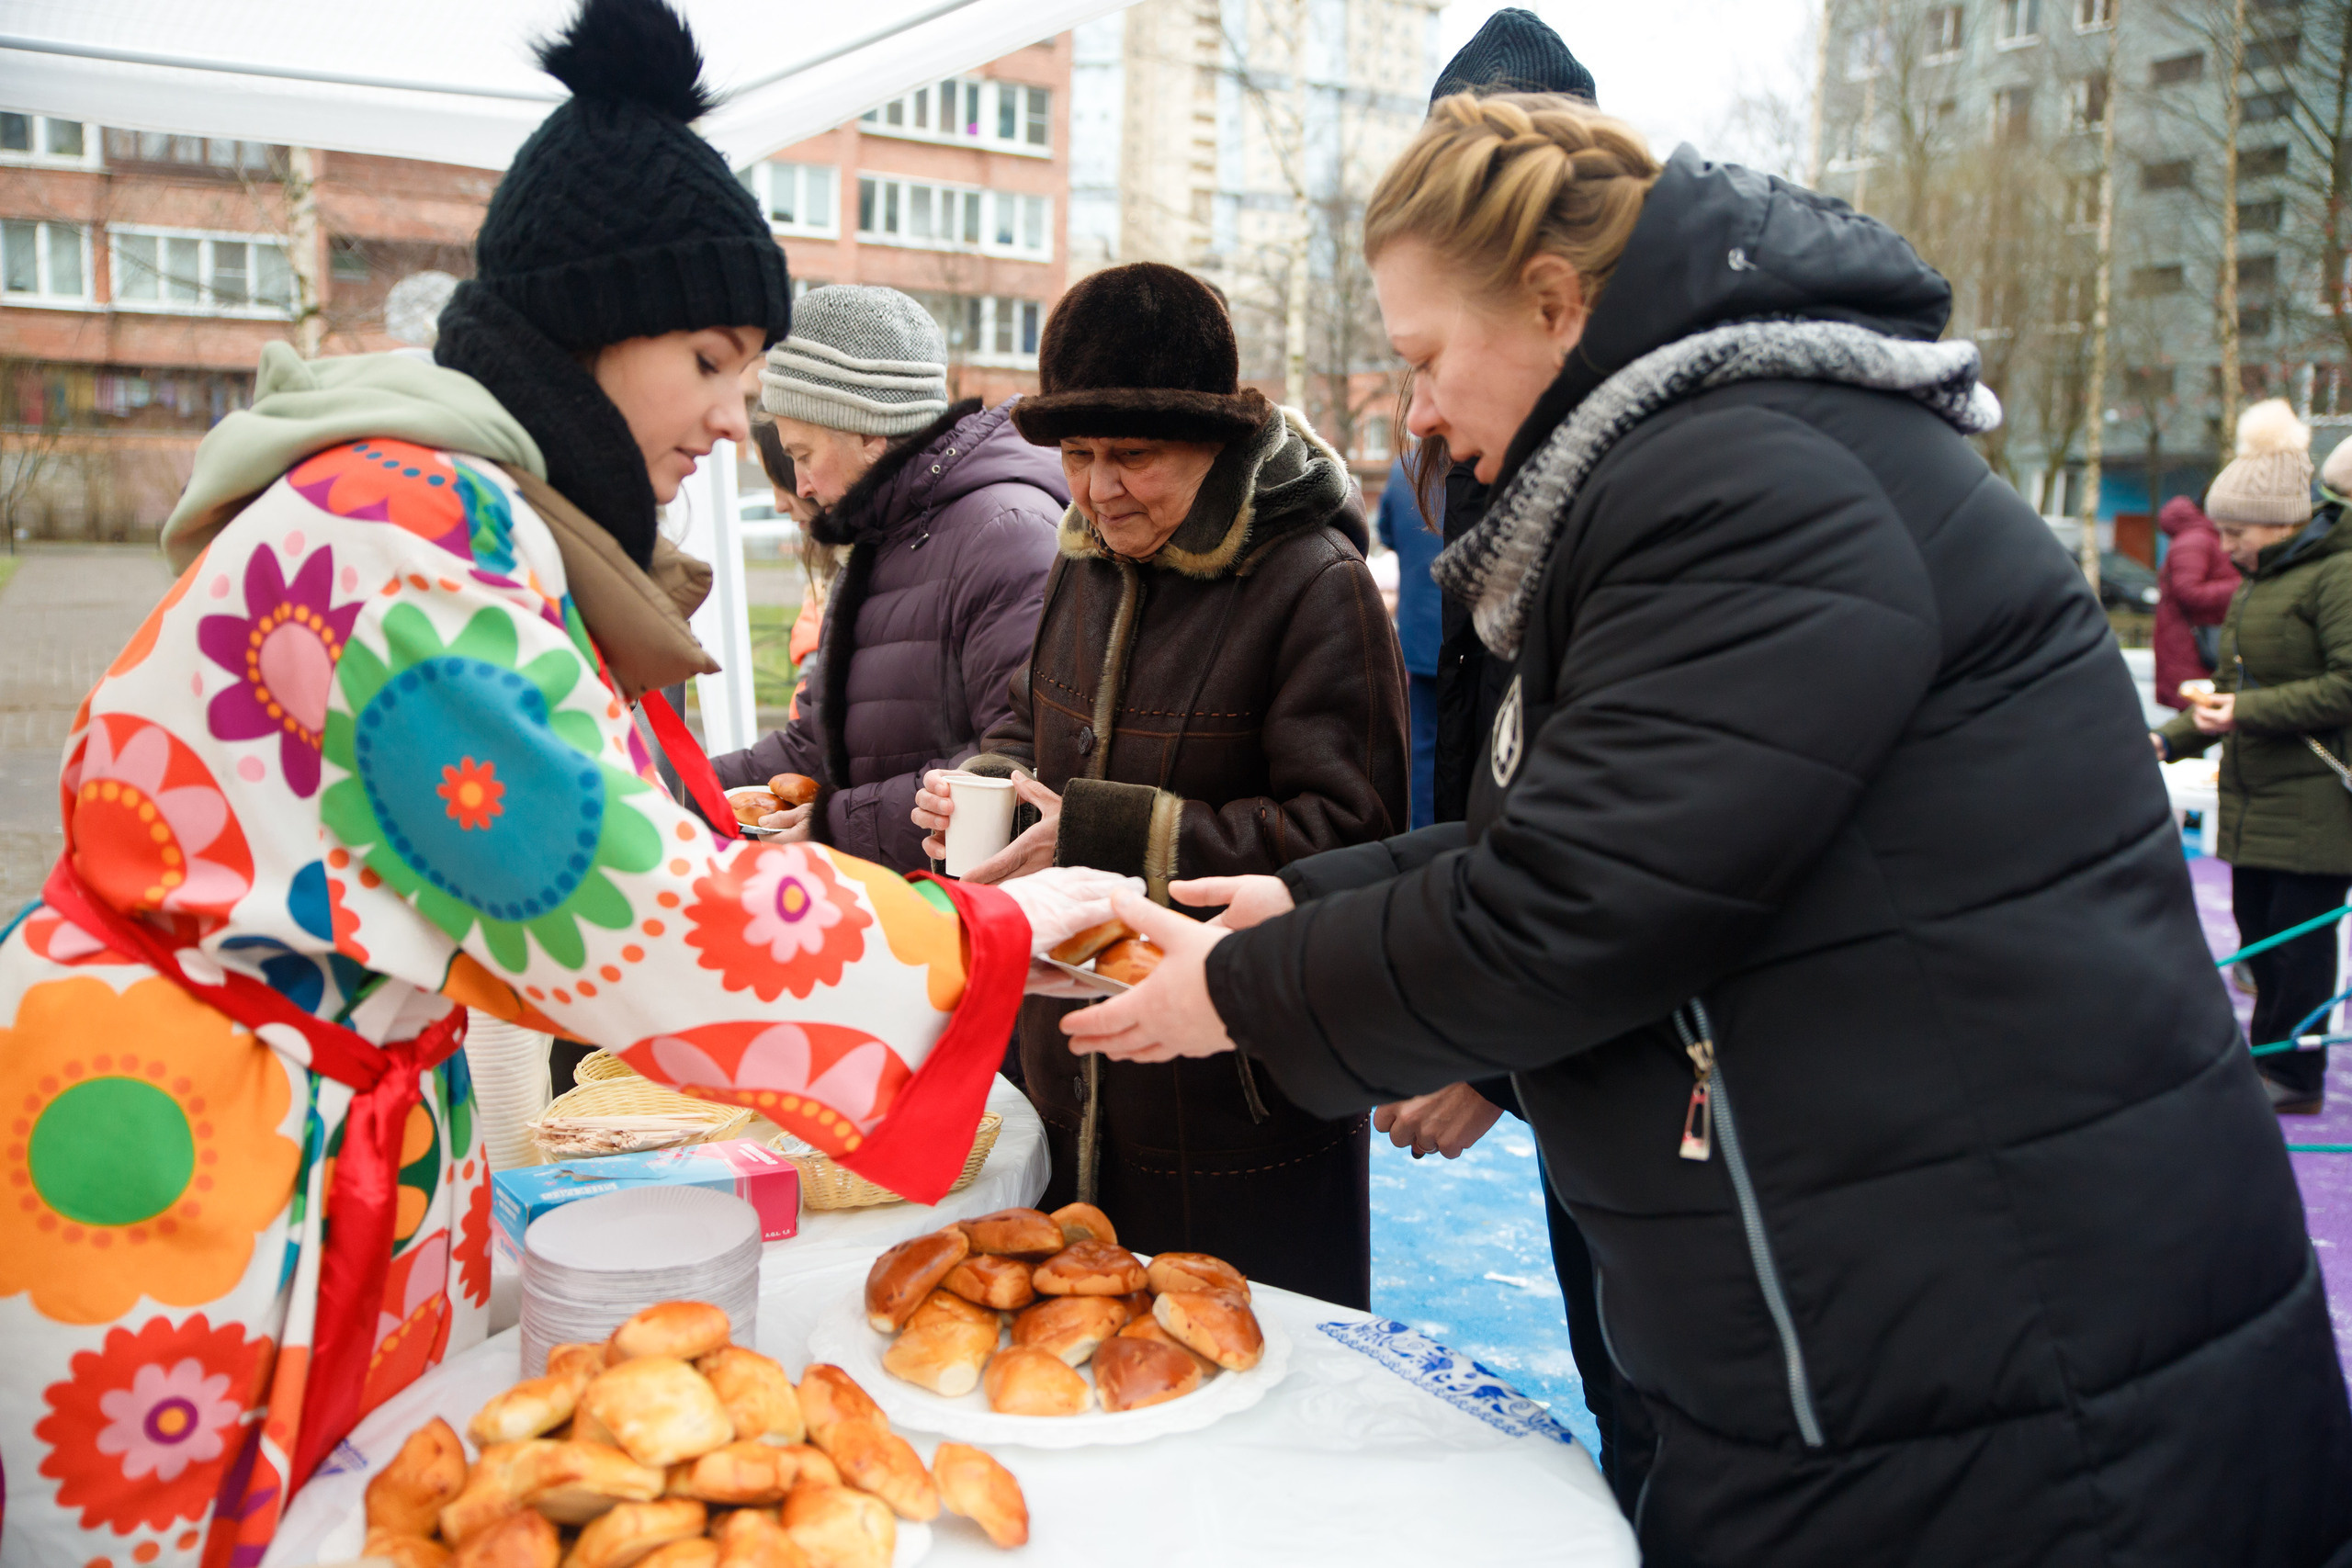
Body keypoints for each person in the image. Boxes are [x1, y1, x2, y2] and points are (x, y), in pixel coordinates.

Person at [1057, 96, 2352, 1562]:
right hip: (1893, 1321)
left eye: (1423, 357)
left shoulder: (1749, 483)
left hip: (2019, 1370)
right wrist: (1299, 906)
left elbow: (1578, 902)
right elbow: (1595, 826)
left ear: (1556, 304)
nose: (1411, 410)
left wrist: (1235, 996)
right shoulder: (1689, 474)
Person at [0, 6, 1124, 1562]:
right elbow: (619, 900)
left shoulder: (437, 504)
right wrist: (984, 938)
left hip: (286, 1119)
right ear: (593, 329)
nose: (737, 421)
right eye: (713, 361)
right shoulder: (409, 524)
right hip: (196, 1157)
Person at [912, 262, 1409, 1307]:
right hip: (1069, 1070)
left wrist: (1098, 832)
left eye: (1132, 456)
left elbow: (1352, 838)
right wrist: (981, 787)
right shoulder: (1082, 559)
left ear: (1215, 442)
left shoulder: (1316, 584)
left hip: (1237, 1103)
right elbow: (1021, 720)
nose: (1097, 489)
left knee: (1245, 1402)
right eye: (1079, 455)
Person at [709, 286, 1064, 869]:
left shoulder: (1004, 534)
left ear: (870, 435)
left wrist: (834, 827)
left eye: (803, 453)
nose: (798, 487)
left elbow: (1014, 766)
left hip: (959, 917)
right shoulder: (887, 537)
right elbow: (817, 746)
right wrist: (670, 786)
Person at [2156, 400, 2352, 1116]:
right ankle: (2267, 1058)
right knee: (2260, 940)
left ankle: (2295, 1074)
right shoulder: (2261, 584)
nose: (2227, 547)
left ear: (2279, 523)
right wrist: (2170, 737)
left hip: (2318, 804)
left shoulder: (2337, 577)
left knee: (2300, 949)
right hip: (2258, 796)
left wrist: (2246, 711)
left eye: (2235, 534)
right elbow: (2237, 688)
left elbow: (2346, 685)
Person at [1374, 455, 1442, 828]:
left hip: (1420, 633)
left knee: (1422, 751)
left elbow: (1387, 534)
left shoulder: (1406, 470)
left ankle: (1420, 839)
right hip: (1481, 638)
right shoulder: (1487, 457)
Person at [2153, 493, 2239, 710]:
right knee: (2196, 718)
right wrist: (2241, 585)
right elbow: (2189, 592)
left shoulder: (2201, 536)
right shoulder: (2195, 540)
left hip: (2192, 642)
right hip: (2192, 646)